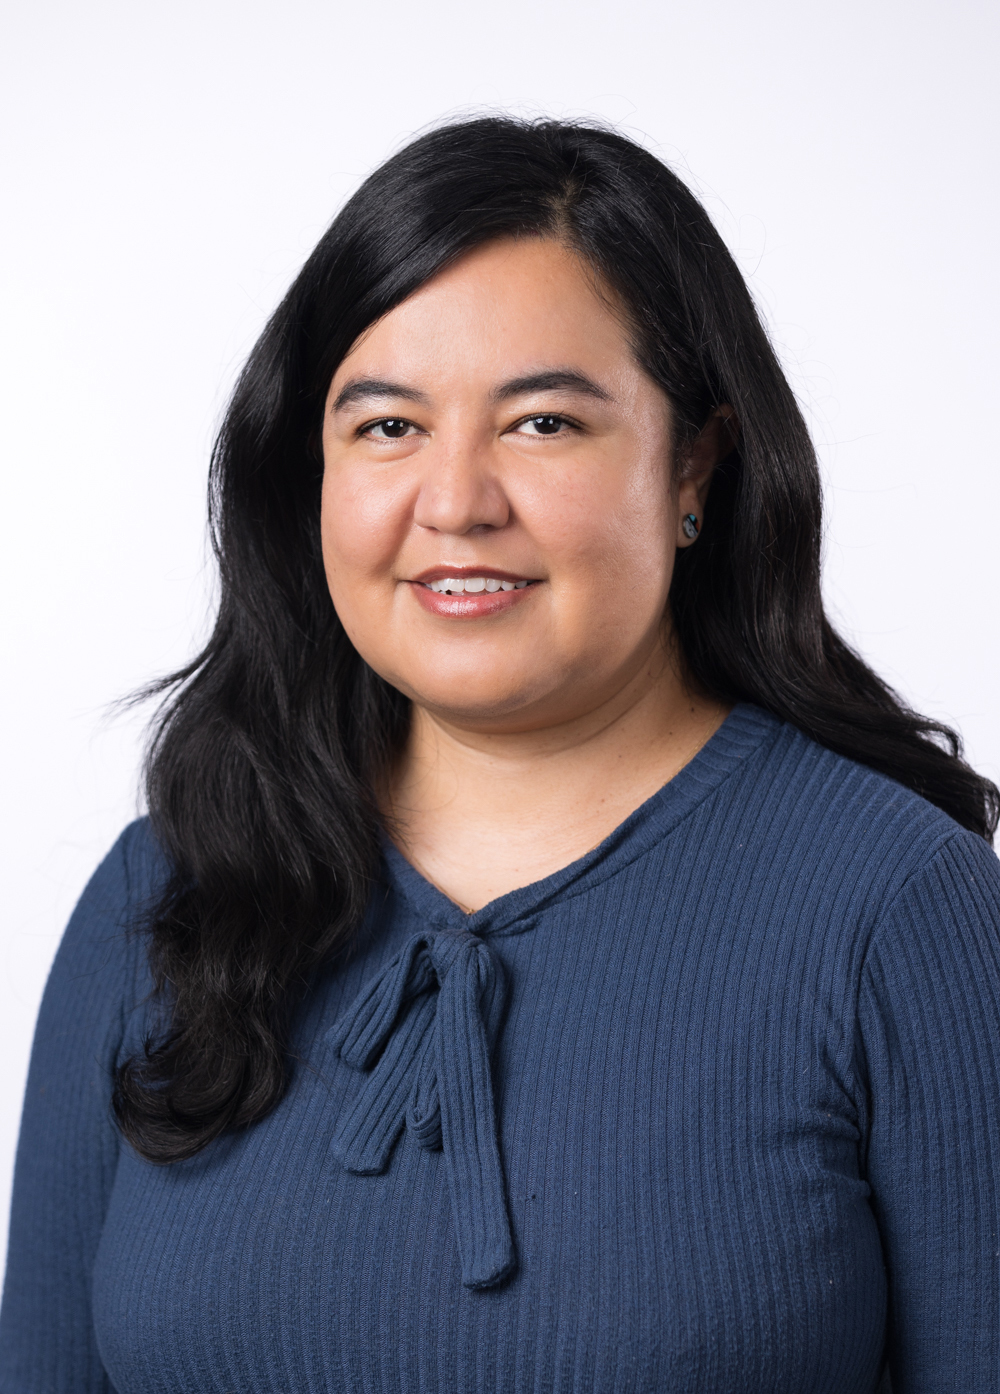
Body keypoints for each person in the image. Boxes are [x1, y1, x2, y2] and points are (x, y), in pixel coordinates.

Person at [2, 116, 998, 1394]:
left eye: (540, 424)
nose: (456, 499)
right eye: (384, 427)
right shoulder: (165, 892)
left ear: (694, 462)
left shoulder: (900, 911)